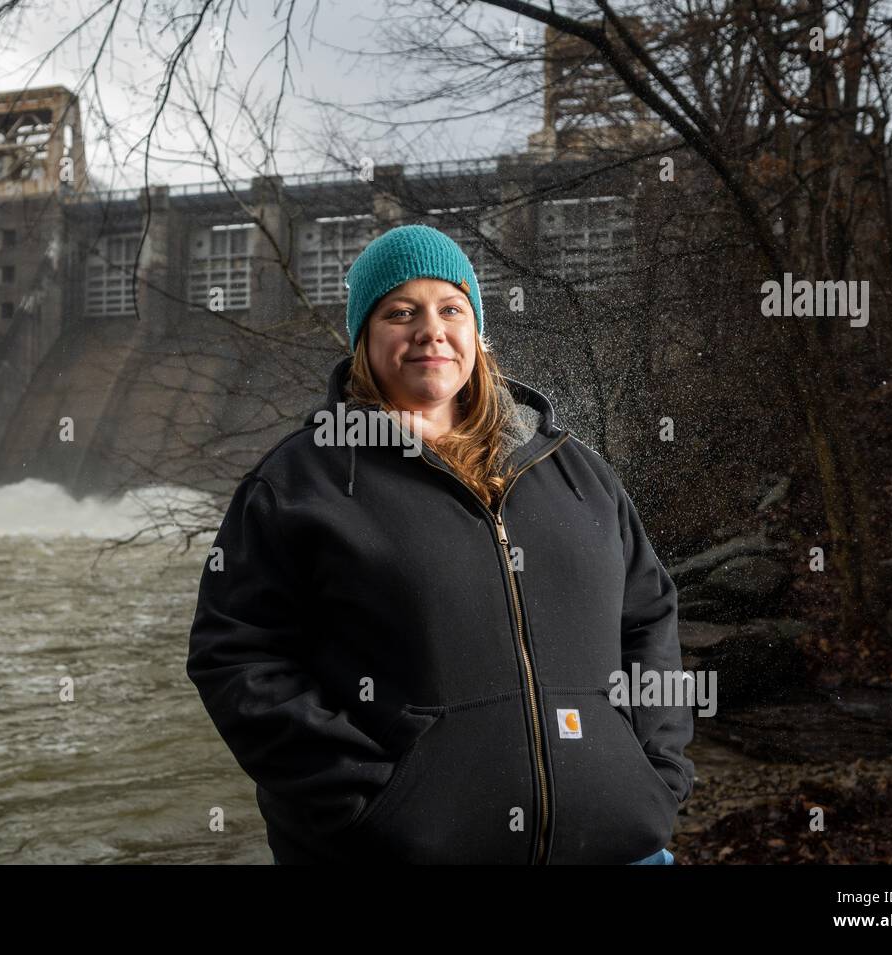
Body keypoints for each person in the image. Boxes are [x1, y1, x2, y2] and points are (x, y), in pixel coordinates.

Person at [186, 223, 694, 865]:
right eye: (401, 312)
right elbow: (236, 658)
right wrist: (364, 801)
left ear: (476, 333)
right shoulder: (300, 482)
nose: (431, 330)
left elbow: (648, 617)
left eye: (451, 308)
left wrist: (656, 772)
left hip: (619, 848)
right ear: (364, 338)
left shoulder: (573, 470)